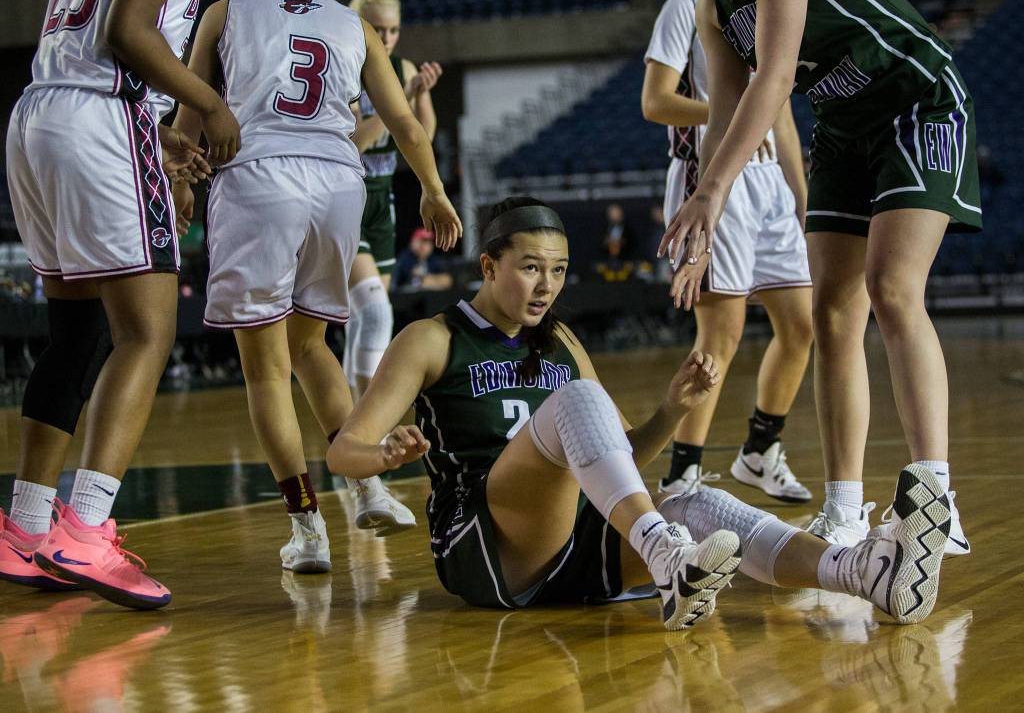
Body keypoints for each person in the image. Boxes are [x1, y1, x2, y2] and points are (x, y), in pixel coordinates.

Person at [327, 197, 951, 630]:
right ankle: (664, 556)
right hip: (485, 547)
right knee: (579, 403)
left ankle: (857, 573)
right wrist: (381, 456)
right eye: (530, 268)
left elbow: (617, 459)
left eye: (559, 271)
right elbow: (340, 451)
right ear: (488, 266)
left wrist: (673, 411)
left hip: (568, 545)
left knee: (697, 504)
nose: (546, 285)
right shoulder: (433, 338)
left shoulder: (562, 342)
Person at [662, 0, 979, 555]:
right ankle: (843, 511)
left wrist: (713, 192)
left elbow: (777, 78)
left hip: (913, 100)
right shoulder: (707, 7)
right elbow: (725, 109)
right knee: (831, 312)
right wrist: (704, 217)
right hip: (842, 128)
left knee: (892, 288)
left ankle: (935, 498)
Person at [173, 0, 461, 568]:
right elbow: (403, 118)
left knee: (266, 370)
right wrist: (432, 187)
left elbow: (190, 108)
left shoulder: (227, 11)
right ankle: (366, 488)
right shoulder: (349, 21)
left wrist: (182, 179)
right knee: (310, 346)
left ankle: (307, 529)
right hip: (336, 183)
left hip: (260, 176)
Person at [2, 0, 239, 609]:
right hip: (99, 119)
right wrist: (208, 105)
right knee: (145, 333)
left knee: (77, 333)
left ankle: (25, 526)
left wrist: (155, 133)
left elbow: (93, 46)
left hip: (38, 115)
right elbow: (128, 32)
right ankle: (84, 529)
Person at [642, 0, 814, 502]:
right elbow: (655, 102)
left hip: (771, 185)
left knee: (802, 325)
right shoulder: (684, 6)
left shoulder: (767, 5)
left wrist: (803, 201)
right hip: (711, 171)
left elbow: (777, 109)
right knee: (722, 332)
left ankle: (760, 450)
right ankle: (681, 476)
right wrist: (734, 112)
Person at [344, 0, 444, 397]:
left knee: (362, 315)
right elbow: (354, 143)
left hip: (382, 202)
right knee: (375, 312)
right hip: (346, 197)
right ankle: (370, 417)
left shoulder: (403, 67)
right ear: (359, 23)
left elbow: (425, 134)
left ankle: (351, 416)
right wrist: (397, 100)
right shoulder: (346, 65)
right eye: (377, 28)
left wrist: (418, 94)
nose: (385, 38)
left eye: (392, 30)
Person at [392, 227, 454, 291]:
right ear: (413, 242)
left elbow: (447, 280)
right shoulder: (405, 259)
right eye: (421, 241)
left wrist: (427, 279)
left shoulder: (434, 259)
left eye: (428, 242)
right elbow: (401, 282)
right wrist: (432, 280)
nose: (424, 246)